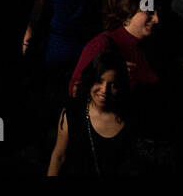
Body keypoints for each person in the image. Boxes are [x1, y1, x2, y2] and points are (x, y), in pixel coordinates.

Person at [47, 48, 136, 176]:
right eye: (99, 81)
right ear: (90, 80)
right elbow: (59, 156)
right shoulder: (72, 112)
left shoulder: (130, 118)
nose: (104, 90)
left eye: (112, 84)